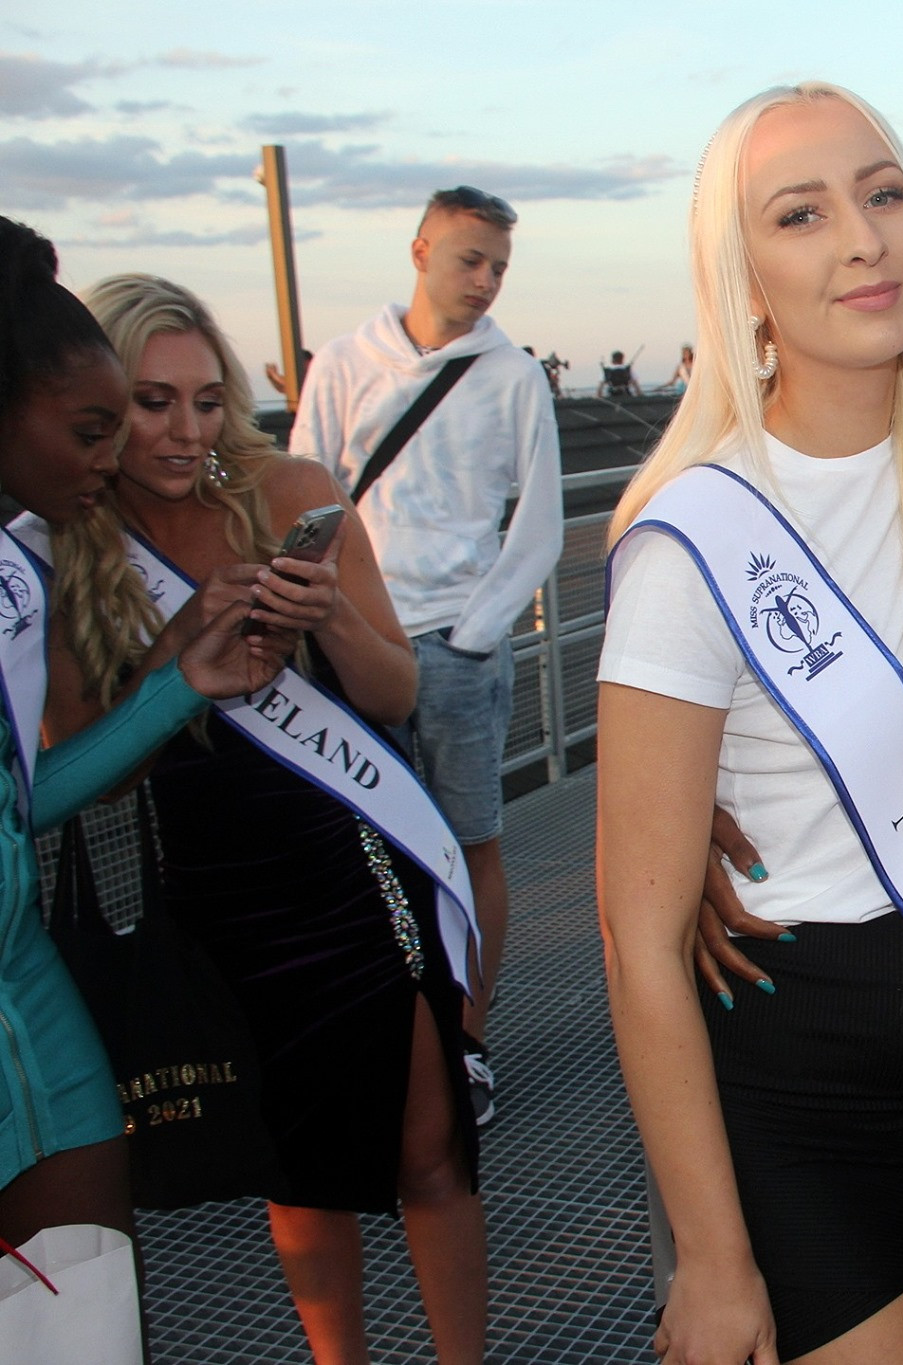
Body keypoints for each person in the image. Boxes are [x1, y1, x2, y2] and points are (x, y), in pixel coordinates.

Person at [597, 82, 903, 1365]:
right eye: (802, 214)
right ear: (741, 284)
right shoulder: (694, 539)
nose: (863, 237)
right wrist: (715, 1257)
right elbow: (635, 939)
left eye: (884, 193)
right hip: (801, 1095)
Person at [46, 273, 487, 1365]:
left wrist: (326, 609)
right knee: (293, 1178)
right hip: (212, 895)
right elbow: (82, 771)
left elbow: (394, 698)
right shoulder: (72, 541)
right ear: (105, 400)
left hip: (350, 866)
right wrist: (182, 648)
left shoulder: (289, 488)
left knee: (428, 1153)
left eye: (206, 399)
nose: (185, 429)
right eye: (152, 402)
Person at [0, 219, 291, 1340]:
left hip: (35, 1005)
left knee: (93, 1325)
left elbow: (22, 813)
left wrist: (183, 683)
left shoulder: (19, 582)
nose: (102, 457)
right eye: (87, 429)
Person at [290, 184, 563, 1128]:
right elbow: (308, 492)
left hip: (456, 647)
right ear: (420, 251)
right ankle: (386, 1036)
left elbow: (538, 522)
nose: (485, 281)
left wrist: (474, 632)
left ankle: (466, 1040)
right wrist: (324, 622)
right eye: (468, 259)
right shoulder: (344, 362)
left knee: (468, 842)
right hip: (353, 640)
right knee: (357, 847)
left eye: (497, 266)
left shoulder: (513, 375)